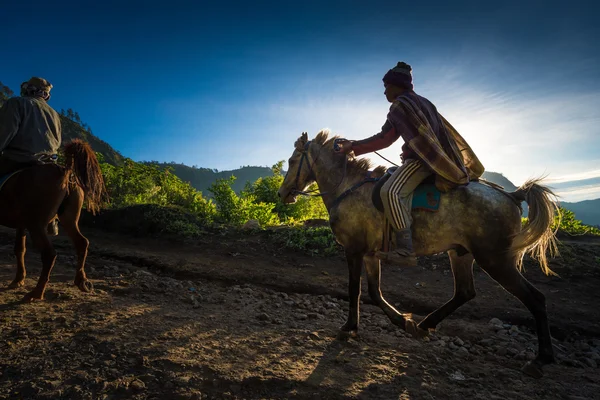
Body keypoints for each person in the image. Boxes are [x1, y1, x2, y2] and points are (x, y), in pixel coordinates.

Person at [334, 62, 484, 266]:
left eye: (387, 86)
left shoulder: (400, 105)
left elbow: (385, 138)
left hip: (423, 162)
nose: (384, 91)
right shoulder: (426, 103)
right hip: (440, 160)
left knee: (390, 192)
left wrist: (353, 146)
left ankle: (405, 250)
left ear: (397, 85)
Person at [0, 77, 62, 235]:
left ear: (27, 89)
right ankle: (52, 220)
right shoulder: (55, 115)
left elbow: (5, 133)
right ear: (46, 95)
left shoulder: (16, 103)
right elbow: (56, 143)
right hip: (47, 163)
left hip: (18, 160)